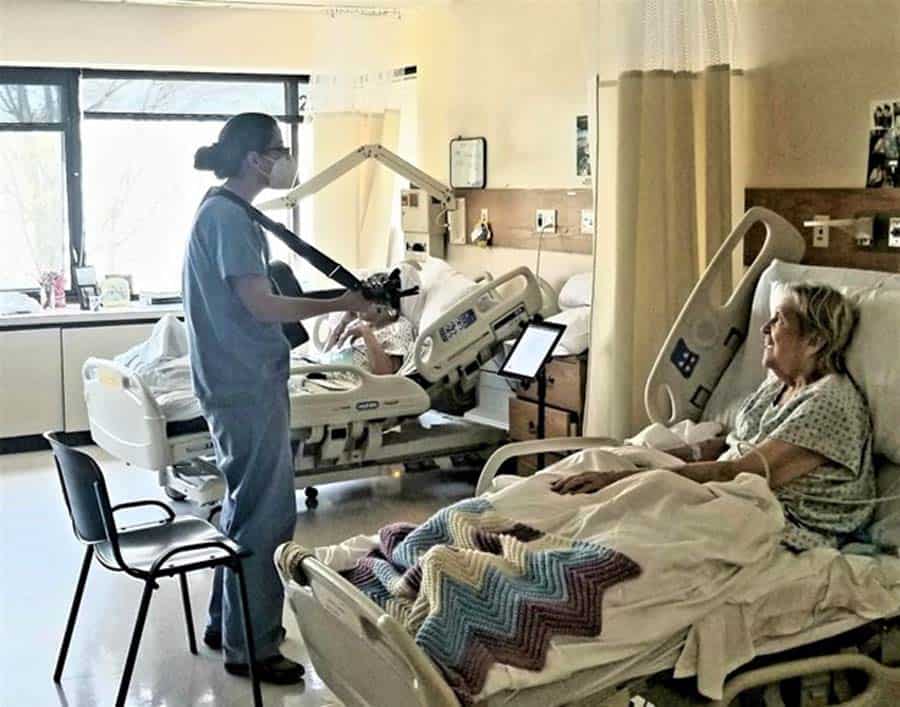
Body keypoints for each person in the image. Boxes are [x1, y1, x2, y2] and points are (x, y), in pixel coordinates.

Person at [185, 112, 375, 683]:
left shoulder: (222, 209)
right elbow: (262, 306)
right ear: (255, 160)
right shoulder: (228, 219)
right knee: (268, 516)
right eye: (279, 149)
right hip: (243, 385)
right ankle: (253, 646)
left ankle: (229, 622)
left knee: (244, 507)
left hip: (237, 380)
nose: (285, 159)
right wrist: (342, 305)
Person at [553, 283, 876, 552]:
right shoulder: (779, 386)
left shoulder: (829, 404)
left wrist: (623, 480)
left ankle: (566, 556)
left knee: (632, 516)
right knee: (600, 460)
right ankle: (533, 531)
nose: (764, 328)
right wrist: (647, 460)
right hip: (732, 491)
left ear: (814, 341)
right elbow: (732, 445)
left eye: (778, 321)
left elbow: (734, 472)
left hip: (772, 519)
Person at [320, 302, 416, 375]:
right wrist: (343, 324)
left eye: (363, 301)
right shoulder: (359, 323)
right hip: (323, 368)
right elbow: (327, 353)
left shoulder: (399, 327)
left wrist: (365, 332)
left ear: (386, 306)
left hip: (342, 380)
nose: (357, 305)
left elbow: (385, 373)